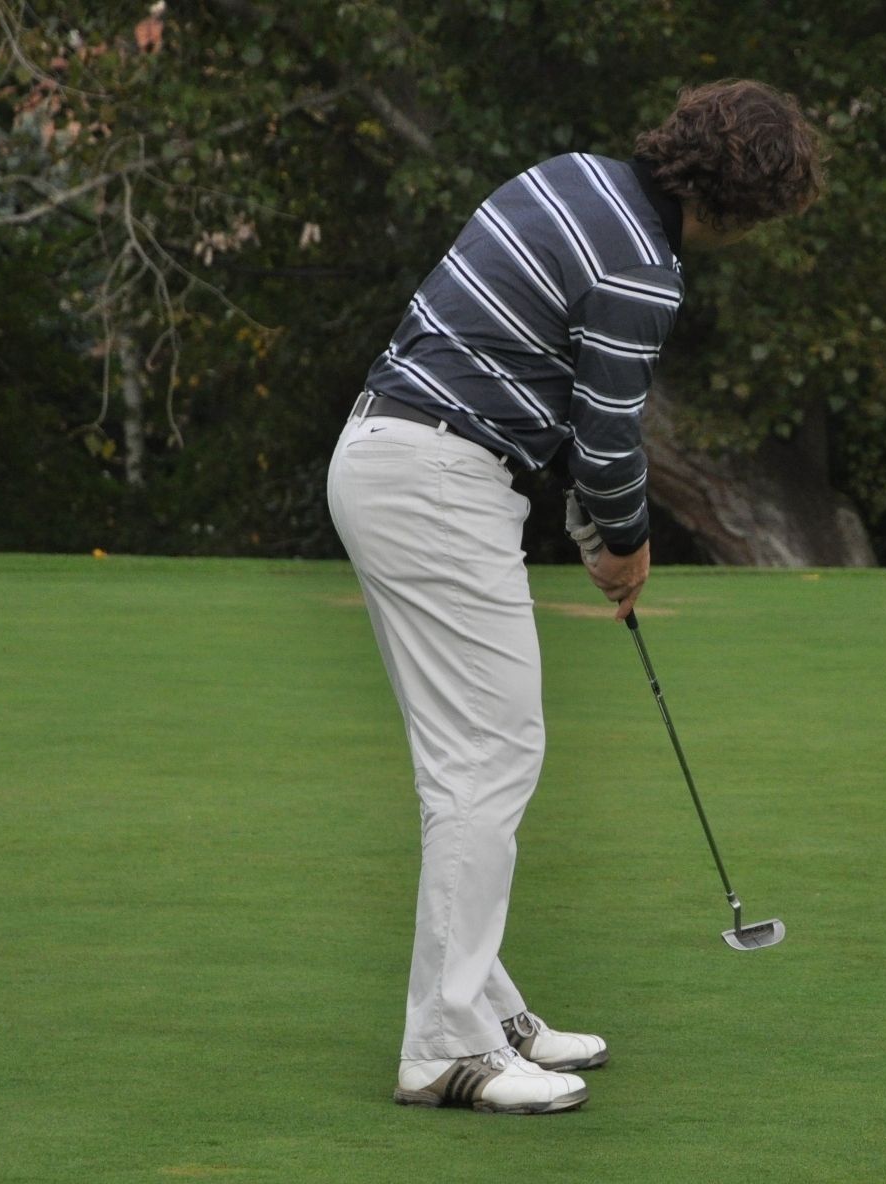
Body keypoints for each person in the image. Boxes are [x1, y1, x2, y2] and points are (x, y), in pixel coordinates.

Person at [326, 80, 825, 1115]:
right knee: (491, 755)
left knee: (464, 761)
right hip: (434, 480)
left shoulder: (570, 179)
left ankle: (491, 1007)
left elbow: (541, 388)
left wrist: (594, 526)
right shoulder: (645, 263)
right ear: (741, 202)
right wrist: (628, 546)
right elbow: (606, 438)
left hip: (393, 456)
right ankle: (445, 1044)